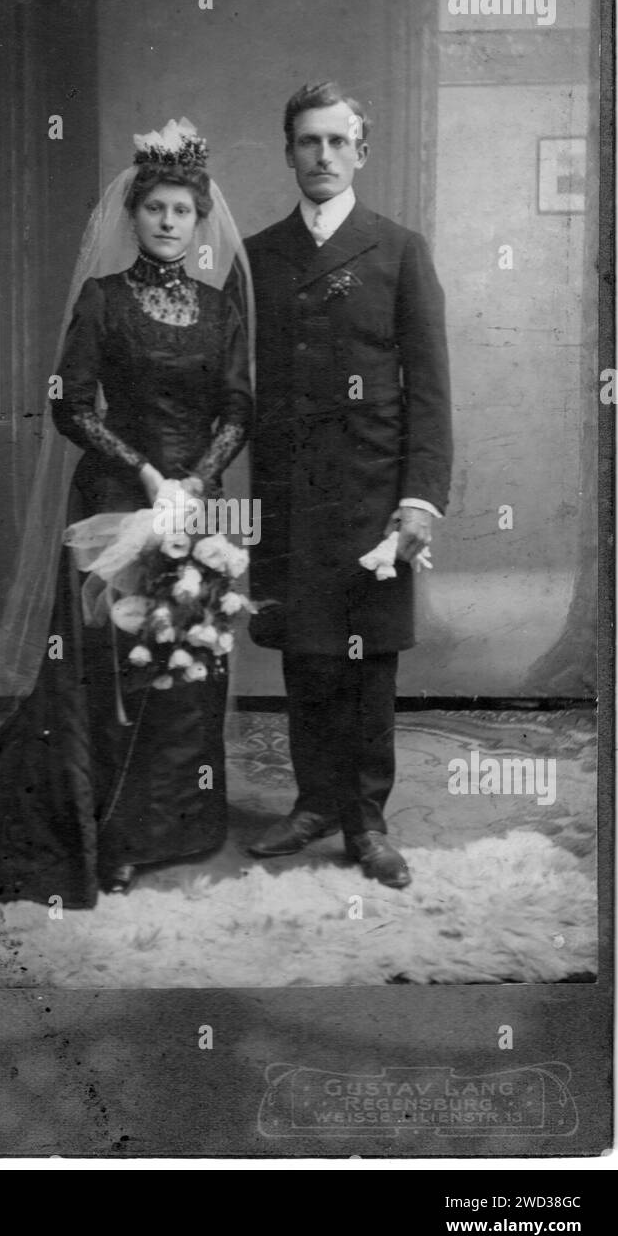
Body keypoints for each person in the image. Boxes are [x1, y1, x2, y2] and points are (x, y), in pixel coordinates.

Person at [0, 119, 253, 905]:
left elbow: (239, 411)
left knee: (188, 657)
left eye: (182, 211)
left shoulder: (219, 310)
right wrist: (144, 474)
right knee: (114, 667)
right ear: (132, 217)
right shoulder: (104, 302)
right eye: (156, 209)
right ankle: (114, 831)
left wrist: (192, 487)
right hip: (113, 504)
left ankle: (179, 823)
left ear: (198, 223)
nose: (169, 223)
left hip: (192, 510)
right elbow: (69, 405)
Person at [244, 81, 452, 889]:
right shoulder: (259, 255)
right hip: (291, 493)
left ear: (361, 151)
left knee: (368, 665)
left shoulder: (399, 249)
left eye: (338, 141)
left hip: (373, 492)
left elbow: (430, 388)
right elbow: (238, 381)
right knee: (307, 655)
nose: (323, 156)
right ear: (290, 151)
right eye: (308, 142)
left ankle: (366, 819)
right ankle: (313, 801)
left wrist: (419, 498)